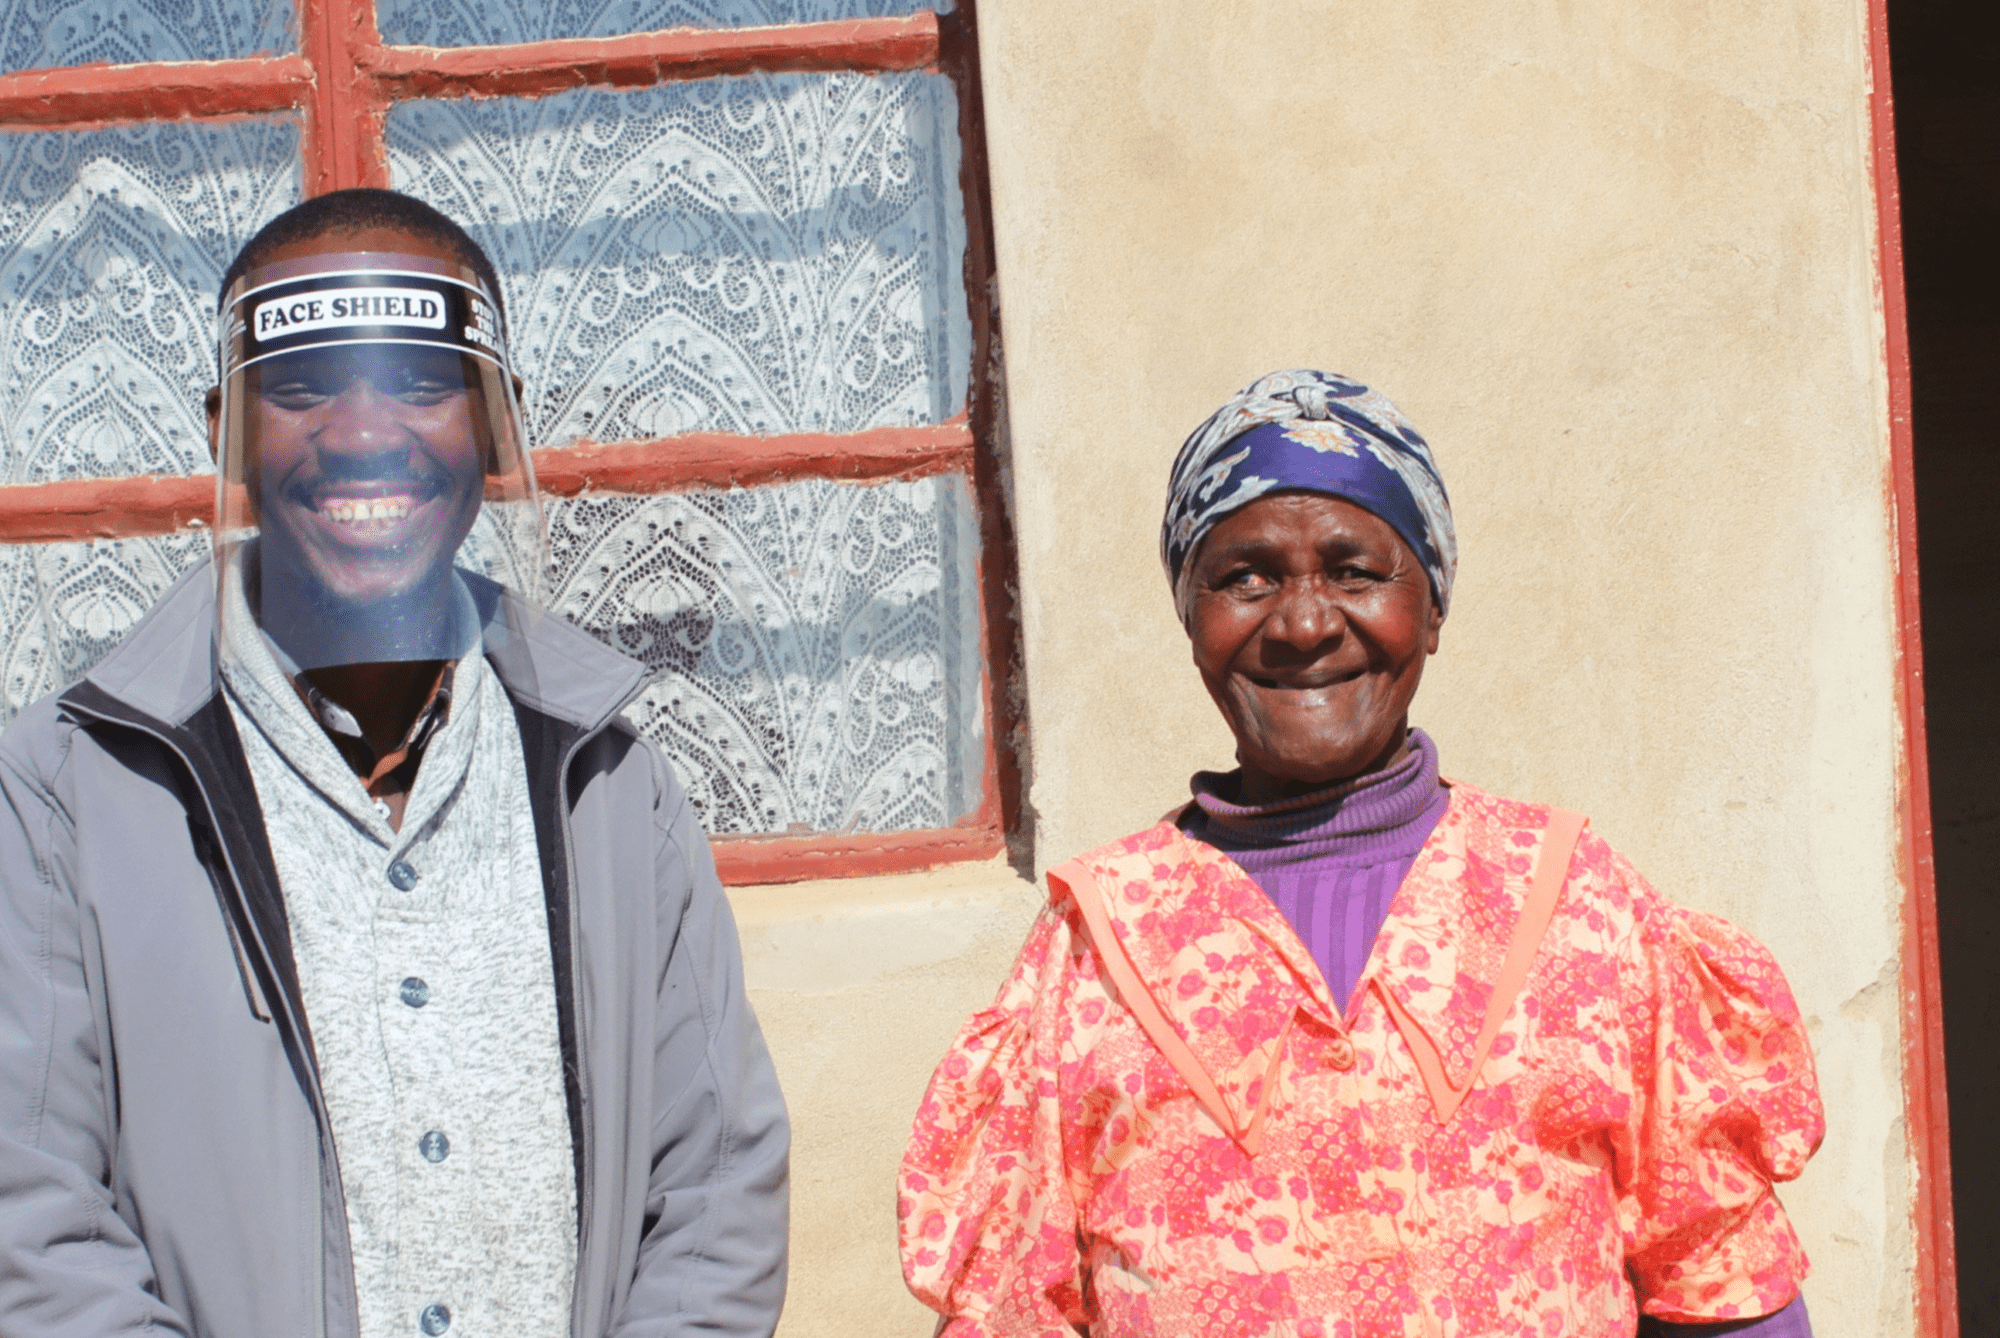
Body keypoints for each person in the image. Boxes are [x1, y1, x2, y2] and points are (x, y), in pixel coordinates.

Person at [0, 190, 790, 1338]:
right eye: (304, 386)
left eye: (422, 384)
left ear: (491, 420)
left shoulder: (609, 781)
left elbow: (715, 1186)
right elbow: (33, 1219)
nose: (364, 431)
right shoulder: (68, 790)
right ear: (228, 424)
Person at [899, 370, 1822, 1337]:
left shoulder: (1578, 907)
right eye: (1246, 575)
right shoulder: (1094, 945)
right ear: (1191, 618)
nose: (1303, 624)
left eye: (1355, 572)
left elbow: (1722, 1281)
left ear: (1432, 608)